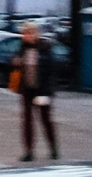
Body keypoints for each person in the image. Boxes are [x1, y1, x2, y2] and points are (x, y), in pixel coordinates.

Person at [11, 20, 62, 161]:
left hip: (42, 91)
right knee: (27, 121)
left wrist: (47, 91)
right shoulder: (23, 48)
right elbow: (15, 63)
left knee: (45, 120)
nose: (25, 36)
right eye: (24, 33)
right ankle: (28, 151)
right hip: (27, 90)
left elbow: (51, 70)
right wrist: (16, 61)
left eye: (28, 33)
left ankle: (53, 148)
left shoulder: (45, 47)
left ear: (35, 33)